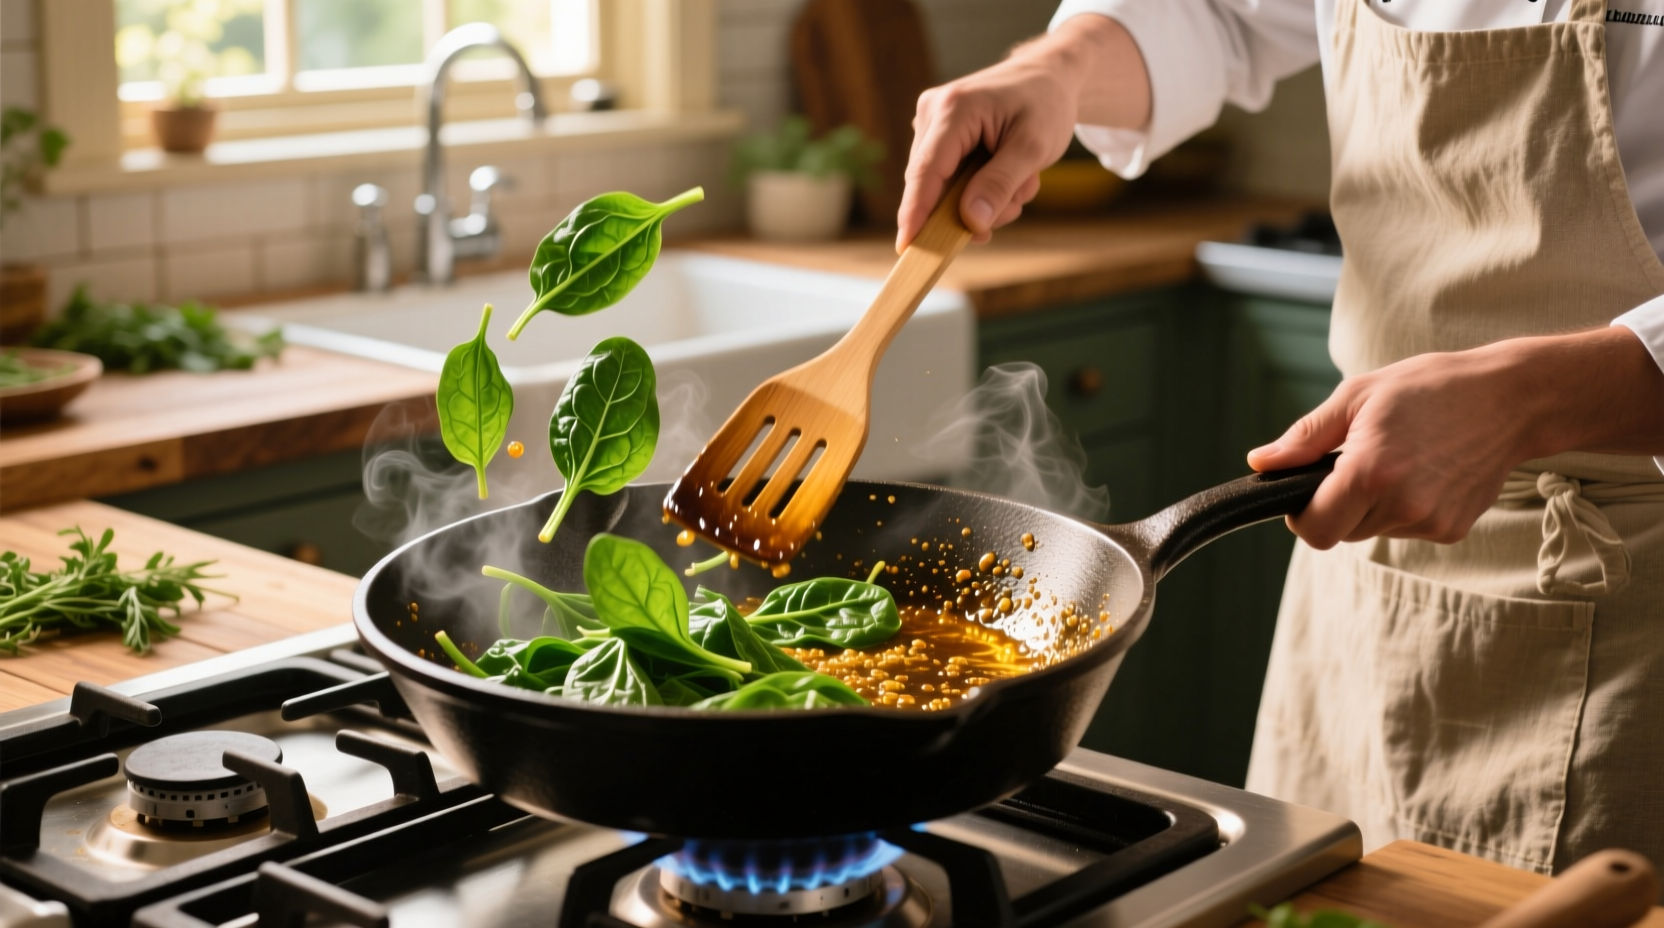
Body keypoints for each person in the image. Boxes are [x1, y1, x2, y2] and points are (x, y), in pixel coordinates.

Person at [897, 0, 1664, 876]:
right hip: (1364, 575)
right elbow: (1218, 13)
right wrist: (1062, 66)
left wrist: (1530, 400)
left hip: (1639, 602)